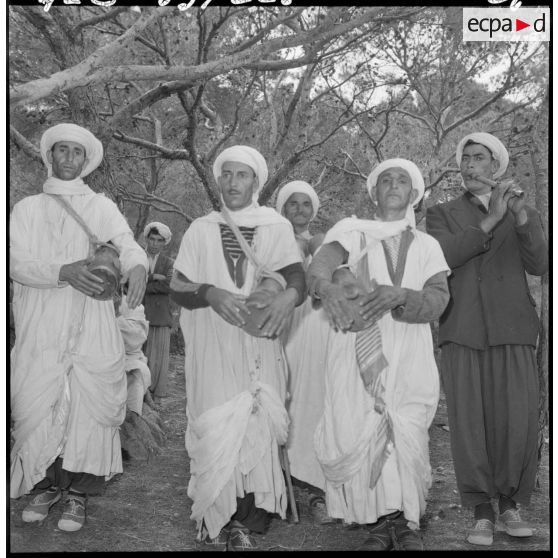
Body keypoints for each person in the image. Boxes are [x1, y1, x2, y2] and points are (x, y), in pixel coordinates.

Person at [10, 123, 148, 532]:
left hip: (92, 323)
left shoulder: (101, 206)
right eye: (61, 151)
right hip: (43, 320)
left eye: (76, 153)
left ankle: (76, 494)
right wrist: (63, 271)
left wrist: (138, 263)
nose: (68, 159)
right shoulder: (27, 209)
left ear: (86, 161)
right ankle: (46, 485)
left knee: (87, 407)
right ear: (49, 156)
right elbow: (14, 260)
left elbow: (125, 241)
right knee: (41, 399)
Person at [307, 158, 450, 551]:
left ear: (415, 195)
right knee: (362, 425)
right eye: (385, 179)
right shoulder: (350, 233)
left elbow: (439, 299)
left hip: (409, 347)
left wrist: (403, 295)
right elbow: (319, 268)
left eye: (402, 180)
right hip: (356, 346)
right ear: (373, 191)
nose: (393, 184)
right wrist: (326, 288)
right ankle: (376, 523)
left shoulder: (428, 245)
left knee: (407, 429)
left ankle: (406, 523)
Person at [169, 146, 306, 551]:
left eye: (241, 175)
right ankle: (218, 513)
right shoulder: (201, 229)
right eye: (226, 174)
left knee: (258, 423)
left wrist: (286, 298)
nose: (232, 182)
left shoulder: (275, 226)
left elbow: (296, 276)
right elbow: (179, 285)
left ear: (256, 182)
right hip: (214, 343)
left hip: (260, 343)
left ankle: (248, 519)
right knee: (216, 422)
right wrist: (210, 293)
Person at [426, 132, 548, 546]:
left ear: (495, 165)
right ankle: (480, 509)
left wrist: (521, 217)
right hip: (463, 328)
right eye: (466, 158)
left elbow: (541, 264)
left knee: (515, 418)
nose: (469, 164)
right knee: (470, 422)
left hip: (512, 327)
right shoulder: (440, 213)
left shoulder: (521, 209)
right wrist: (491, 219)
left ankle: (511, 504)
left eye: (479, 158)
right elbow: (444, 257)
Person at [275, 181, 333, 525]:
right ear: (283, 208)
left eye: (305, 203)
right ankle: (277, 486)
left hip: (314, 328)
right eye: (292, 203)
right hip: (280, 326)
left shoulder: (325, 242)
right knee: (281, 400)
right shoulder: (271, 239)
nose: (299, 209)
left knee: (313, 402)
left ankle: (316, 491)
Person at [142, 221, 174, 407]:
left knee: (158, 358)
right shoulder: (137, 258)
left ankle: (156, 398)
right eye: (152, 239)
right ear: (146, 238)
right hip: (138, 313)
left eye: (159, 240)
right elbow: (128, 282)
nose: (154, 243)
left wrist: (144, 284)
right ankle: (138, 395)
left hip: (161, 315)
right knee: (138, 355)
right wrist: (153, 277)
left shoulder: (169, 263)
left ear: (164, 243)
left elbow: (169, 285)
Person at [116, 293, 151, 418]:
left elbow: (135, 340)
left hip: (129, 358)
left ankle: (133, 420)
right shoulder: (88, 303)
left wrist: (116, 316)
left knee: (135, 374)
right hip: (96, 360)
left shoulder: (132, 304)